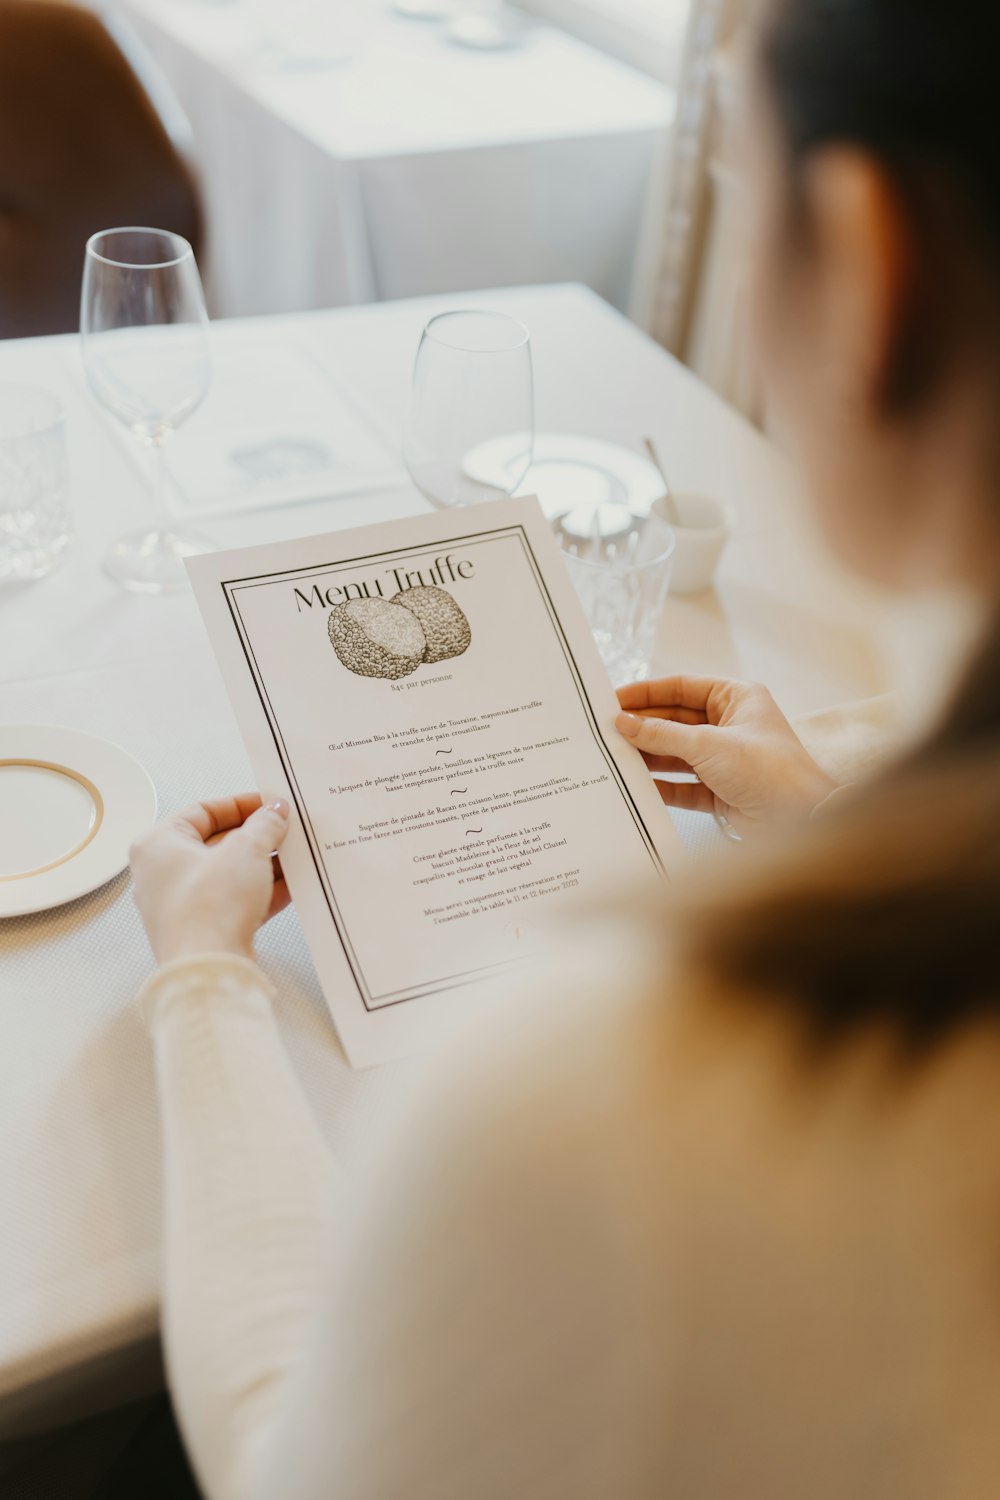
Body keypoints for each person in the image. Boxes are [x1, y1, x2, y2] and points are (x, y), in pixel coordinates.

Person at [129, 1, 1000, 1496]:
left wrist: (202, 983)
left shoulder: (605, 1098)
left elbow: (289, 1460)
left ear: (866, 263)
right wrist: (822, 817)